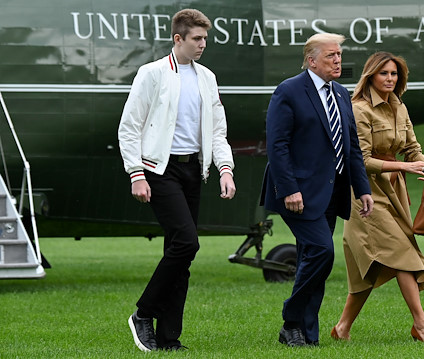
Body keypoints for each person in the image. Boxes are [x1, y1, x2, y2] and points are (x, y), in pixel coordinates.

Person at [118, 9, 236, 352]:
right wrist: (136, 174)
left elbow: (217, 130)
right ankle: (143, 314)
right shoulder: (151, 73)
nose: (202, 45)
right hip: (159, 170)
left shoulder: (207, 77)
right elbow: (129, 127)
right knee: (187, 243)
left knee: (179, 254)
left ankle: (169, 338)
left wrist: (225, 169)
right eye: (196, 39)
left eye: (205, 39)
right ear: (178, 39)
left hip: (193, 170)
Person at [260, 33, 374, 347]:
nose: (338, 61)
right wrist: (289, 189)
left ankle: (304, 334)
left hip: (331, 192)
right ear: (312, 60)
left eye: (339, 55)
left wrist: (362, 188)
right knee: (323, 251)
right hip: (297, 194)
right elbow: (278, 146)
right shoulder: (289, 90)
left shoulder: (340, 92)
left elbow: (351, 145)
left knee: (315, 259)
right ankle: (291, 318)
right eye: (330, 56)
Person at [330, 52, 424, 343]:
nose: (390, 79)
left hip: (394, 193)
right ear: (371, 76)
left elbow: (413, 149)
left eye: (394, 74)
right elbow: (362, 159)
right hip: (364, 193)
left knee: (366, 270)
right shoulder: (359, 109)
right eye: (384, 74)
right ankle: (421, 324)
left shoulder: (399, 107)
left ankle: (342, 328)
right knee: (402, 253)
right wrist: (405, 166)